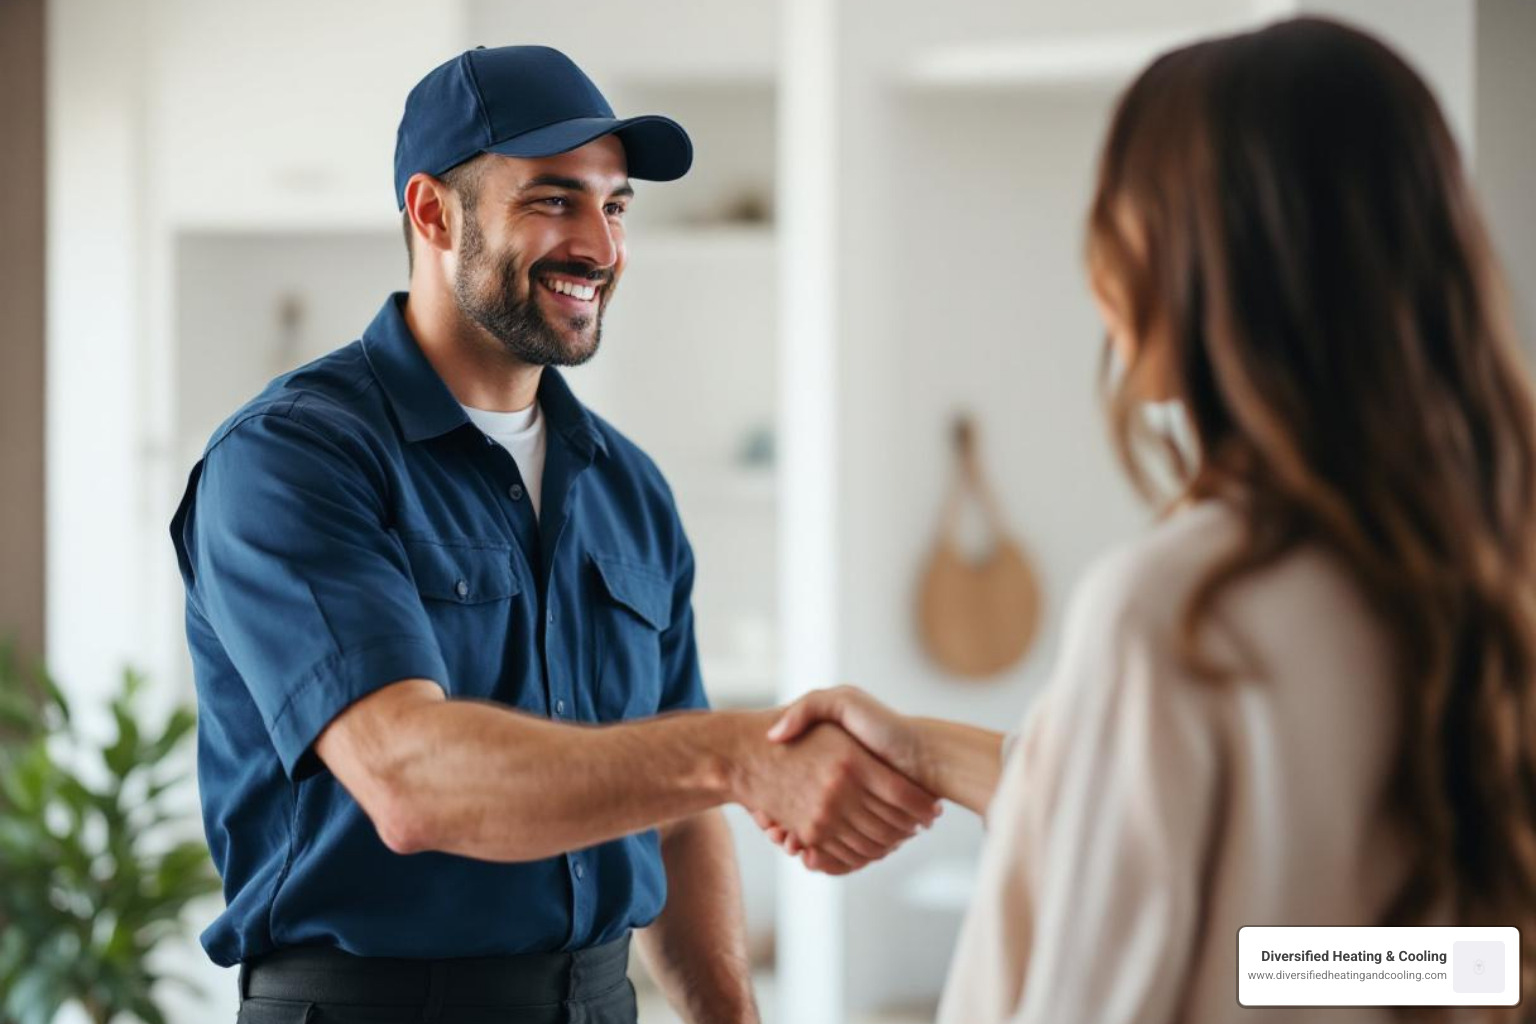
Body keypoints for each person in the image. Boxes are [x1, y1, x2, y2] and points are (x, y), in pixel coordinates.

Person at [756, 16, 1536, 1024]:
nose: (1095, 270)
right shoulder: (1481, 570)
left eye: (1119, 214)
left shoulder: (1181, 608)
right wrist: (928, 753)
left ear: (1215, 257)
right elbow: (1458, 962)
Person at [168, 45, 939, 1024]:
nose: (601, 246)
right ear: (433, 212)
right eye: (552, 200)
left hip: (601, 1000)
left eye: (615, 206)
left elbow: (677, 815)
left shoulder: (628, 487)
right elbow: (410, 777)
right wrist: (737, 751)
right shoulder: (292, 459)